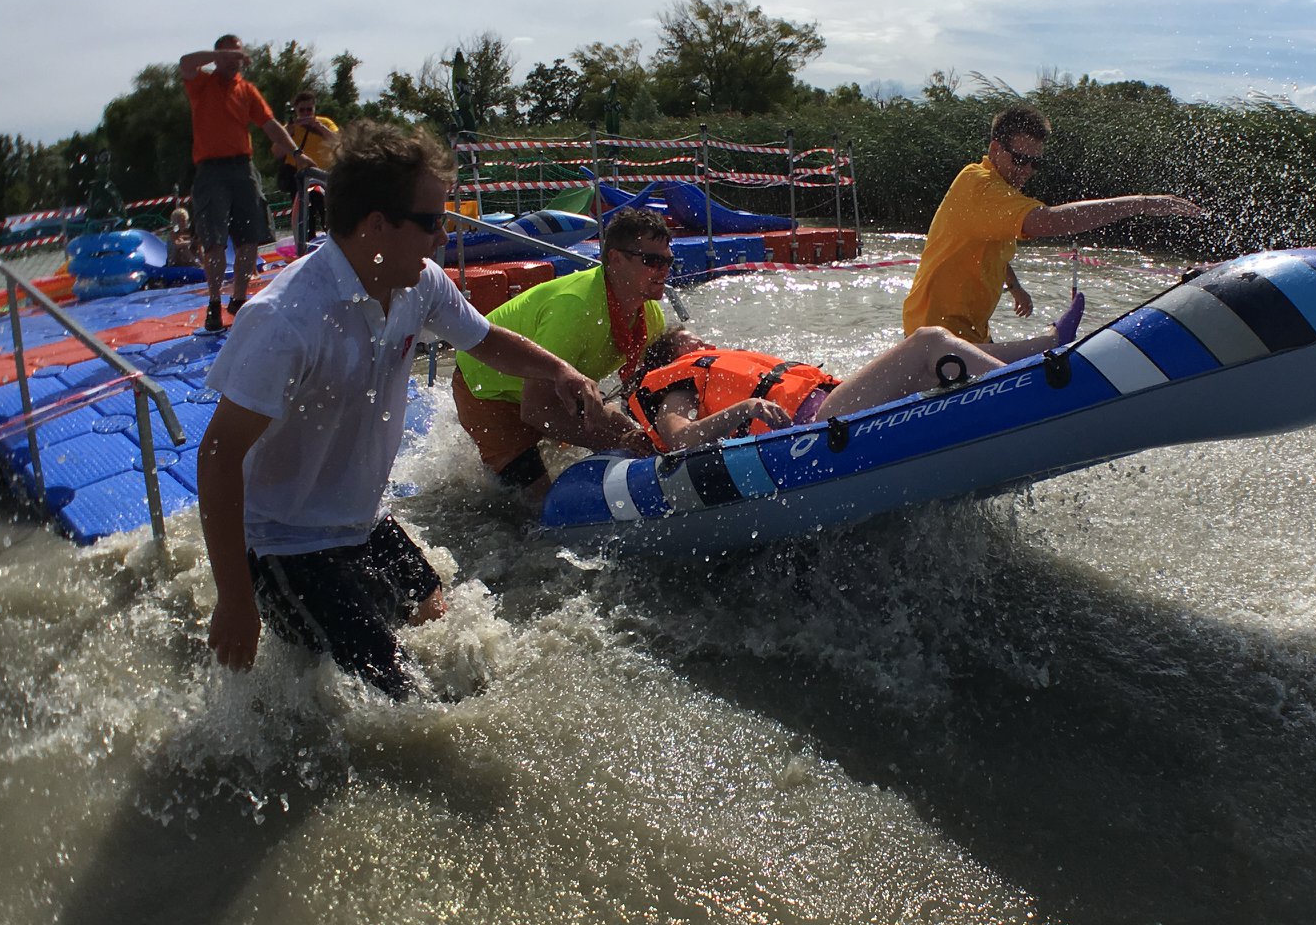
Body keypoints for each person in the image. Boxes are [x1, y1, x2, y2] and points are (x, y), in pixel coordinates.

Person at [197, 122, 598, 700]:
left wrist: (559, 371)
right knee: (408, 709)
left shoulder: (420, 283)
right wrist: (234, 600)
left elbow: (485, 341)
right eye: (432, 221)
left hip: (360, 522)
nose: (443, 236)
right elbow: (217, 455)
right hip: (282, 543)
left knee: (453, 637)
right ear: (376, 226)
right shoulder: (286, 320)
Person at [903, 104, 1209, 355]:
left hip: (969, 332)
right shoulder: (981, 185)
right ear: (995, 149)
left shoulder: (994, 194)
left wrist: (1016, 287)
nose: (1026, 171)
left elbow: (986, 249)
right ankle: (1054, 339)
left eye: (1035, 164)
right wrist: (1139, 203)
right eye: (1020, 160)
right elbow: (1048, 221)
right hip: (936, 335)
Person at [451, 207, 668, 495]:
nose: (664, 271)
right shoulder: (575, 308)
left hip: (550, 388)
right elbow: (536, 411)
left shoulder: (651, 317)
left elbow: (641, 393)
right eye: (652, 261)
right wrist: (613, 442)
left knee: (625, 430)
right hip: (487, 387)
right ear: (615, 258)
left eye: (668, 261)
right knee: (536, 503)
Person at [626, 325, 1003, 452]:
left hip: (834, 414)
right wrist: (746, 408)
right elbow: (681, 439)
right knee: (928, 340)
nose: (708, 351)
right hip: (817, 432)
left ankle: (1049, 349)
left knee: (932, 370)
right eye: (696, 348)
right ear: (670, 362)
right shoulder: (676, 388)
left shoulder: (713, 365)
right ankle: (1046, 380)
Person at [179, 35, 309, 334]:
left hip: (242, 167)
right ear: (219, 55)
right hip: (210, 170)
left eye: (238, 55)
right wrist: (219, 53)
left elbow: (271, 125)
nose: (237, 59)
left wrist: (297, 153)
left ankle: (238, 299)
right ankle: (213, 303)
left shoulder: (246, 90)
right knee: (213, 240)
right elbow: (185, 62)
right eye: (230, 54)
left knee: (250, 236)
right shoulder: (202, 83)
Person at [279, 90, 339, 239]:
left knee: (329, 214)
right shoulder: (290, 127)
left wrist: (318, 127)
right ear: (296, 110)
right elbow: (276, 152)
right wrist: (288, 132)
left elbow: (338, 141)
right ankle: (306, 246)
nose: (306, 113)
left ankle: (335, 242)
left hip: (323, 176)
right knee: (305, 219)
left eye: (309, 110)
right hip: (299, 179)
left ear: (314, 109)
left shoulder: (325, 123)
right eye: (302, 110)